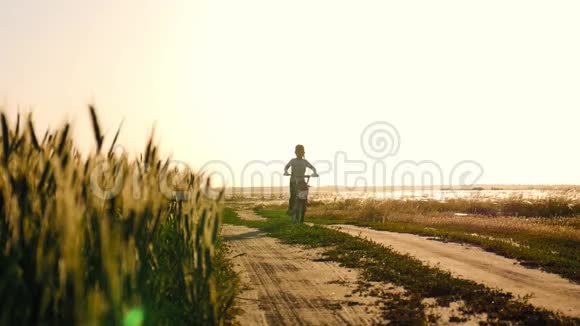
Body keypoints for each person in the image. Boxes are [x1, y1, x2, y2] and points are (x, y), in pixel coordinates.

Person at [284, 144, 318, 215]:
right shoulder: (293, 161)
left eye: (301, 152)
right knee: (293, 195)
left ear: (303, 153)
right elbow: (286, 167)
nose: (299, 153)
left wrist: (315, 173)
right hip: (293, 180)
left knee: (305, 192)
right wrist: (286, 172)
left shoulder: (304, 161)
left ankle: (304, 205)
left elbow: (312, 167)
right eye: (298, 152)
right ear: (295, 152)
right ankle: (290, 209)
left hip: (301, 180)